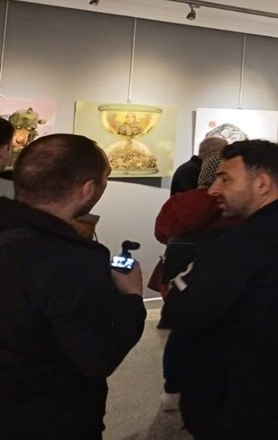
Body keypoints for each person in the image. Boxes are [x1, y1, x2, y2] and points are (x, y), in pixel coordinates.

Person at [161, 140, 278, 439]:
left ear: (262, 183)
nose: (214, 190)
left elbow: (181, 307)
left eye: (225, 179)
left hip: (244, 404)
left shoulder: (243, 243)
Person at [0, 134, 146, 439]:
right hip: (47, 417)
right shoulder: (73, 262)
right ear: (87, 189)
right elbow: (97, 357)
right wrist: (132, 297)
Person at [153, 151, 240, 411]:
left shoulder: (180, 202)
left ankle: (173, 389)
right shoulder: (234, 202)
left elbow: (161, 234)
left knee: (182, 330)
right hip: (223, 271)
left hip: (181, 272)